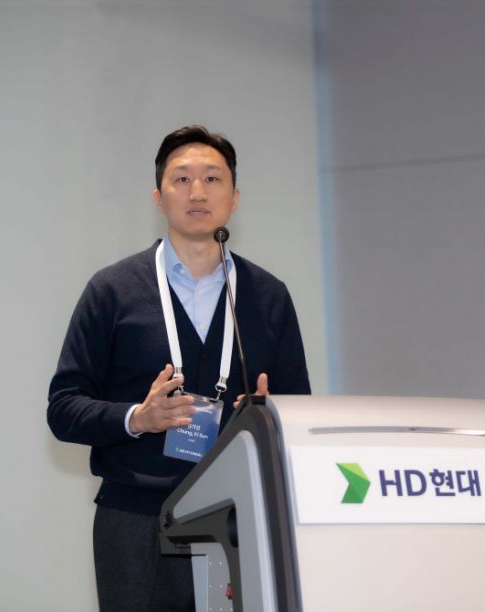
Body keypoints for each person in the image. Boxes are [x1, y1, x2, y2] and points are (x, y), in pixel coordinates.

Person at [47, 125, 311, 612]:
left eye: (212, 179)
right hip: (135, 518)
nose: (198, 192)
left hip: (239, 516)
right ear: (158, 198)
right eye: (182, 179)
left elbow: (299, 413)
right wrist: (137, 418)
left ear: (234, 198)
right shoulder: (112, 290)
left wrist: (268, 414)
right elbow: (63, 409)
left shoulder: (268, 296)